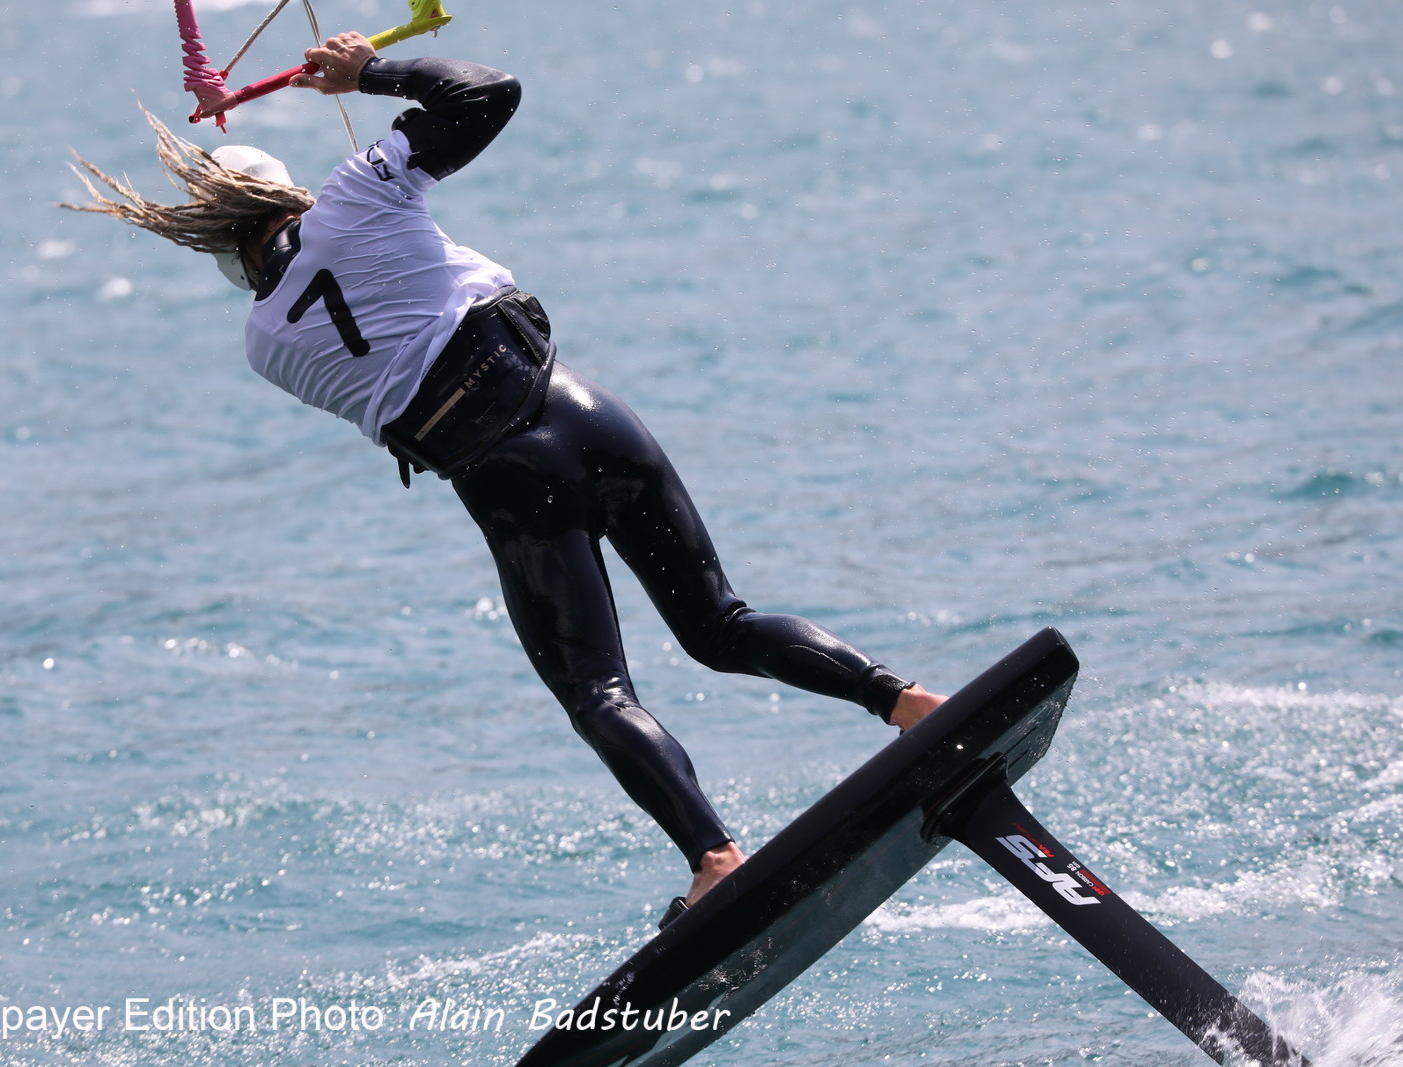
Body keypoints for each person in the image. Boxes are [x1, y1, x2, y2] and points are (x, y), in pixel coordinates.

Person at [63, 33, 945, 925]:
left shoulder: (264, 347)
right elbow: (488, 91)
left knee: (599, 692)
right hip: (590, 416)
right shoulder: (357, 192)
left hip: (513, 486)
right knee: (721, 623)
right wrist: (367, 74)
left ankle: (715, 857)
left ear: (228, 256)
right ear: (286, 191)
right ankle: (906, 702)